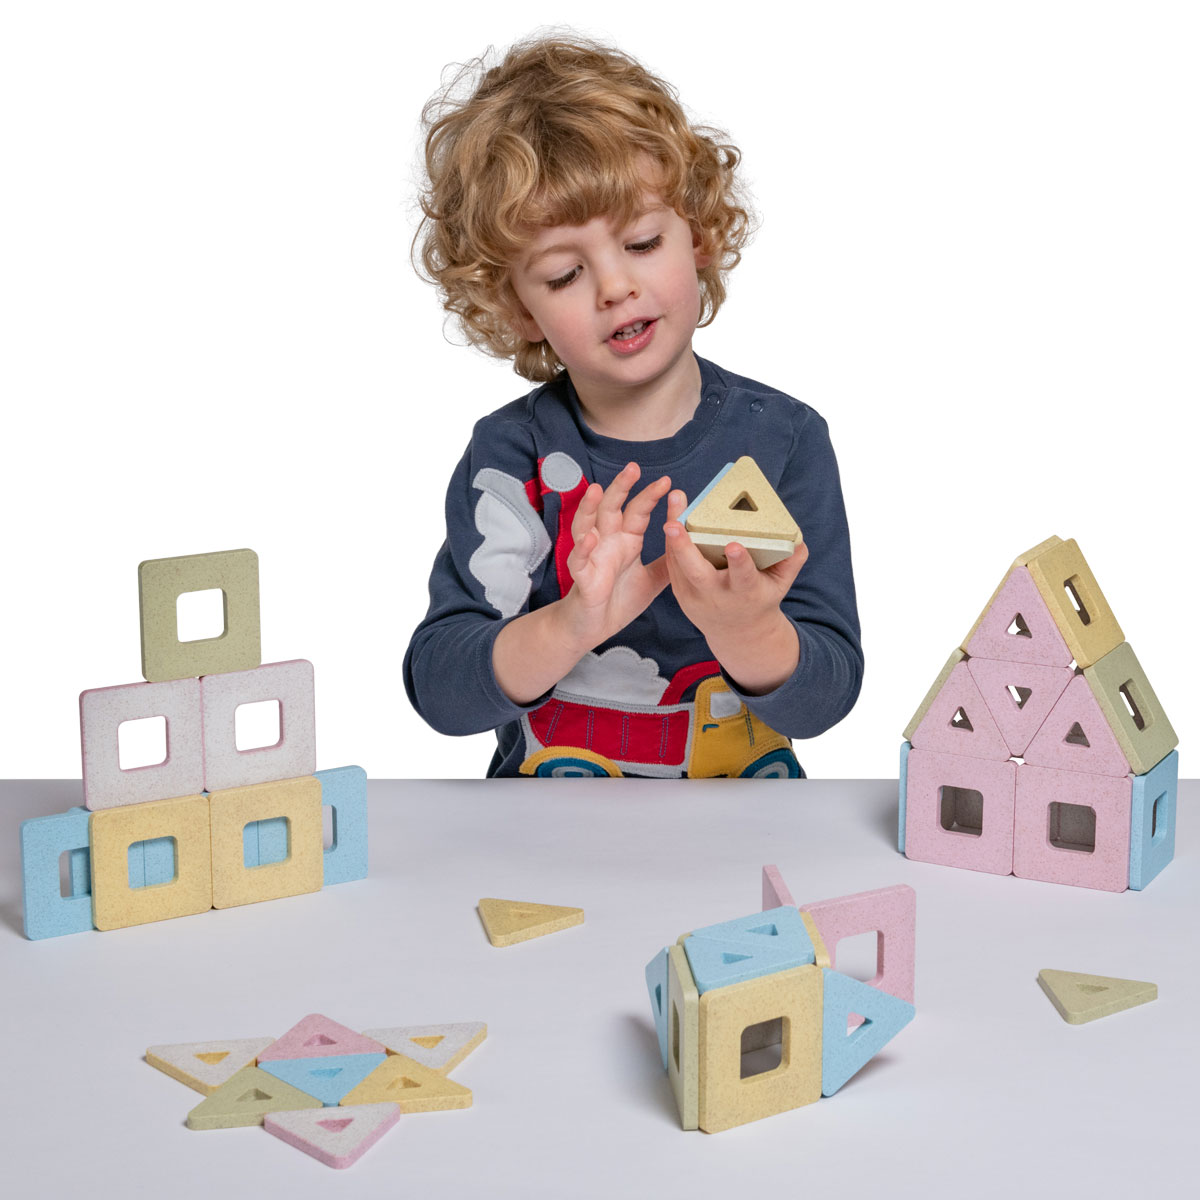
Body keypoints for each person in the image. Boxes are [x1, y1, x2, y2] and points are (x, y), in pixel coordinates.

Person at [404, 34, 862, 778]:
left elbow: (827, 699)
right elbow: (441, 692)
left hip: (744, 823)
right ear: (517, 309)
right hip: (547, 823)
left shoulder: (785, 439)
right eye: (564, 274)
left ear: (699, 234)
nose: (615, 287)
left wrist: (745, 629)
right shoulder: (511, 457)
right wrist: (573, 623)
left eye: (642, 242)